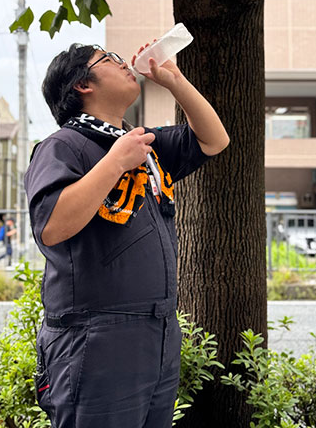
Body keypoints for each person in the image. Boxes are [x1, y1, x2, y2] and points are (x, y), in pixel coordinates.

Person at [24, 42, 229, 428]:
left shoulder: (142, 145)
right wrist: (117, 160)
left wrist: (175, 80)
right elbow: (51, 226)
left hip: (158, 329)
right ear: (83, 84)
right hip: (95, 334)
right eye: (110, 60)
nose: (123, 64)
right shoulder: (62, 145)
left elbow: (214, 139)